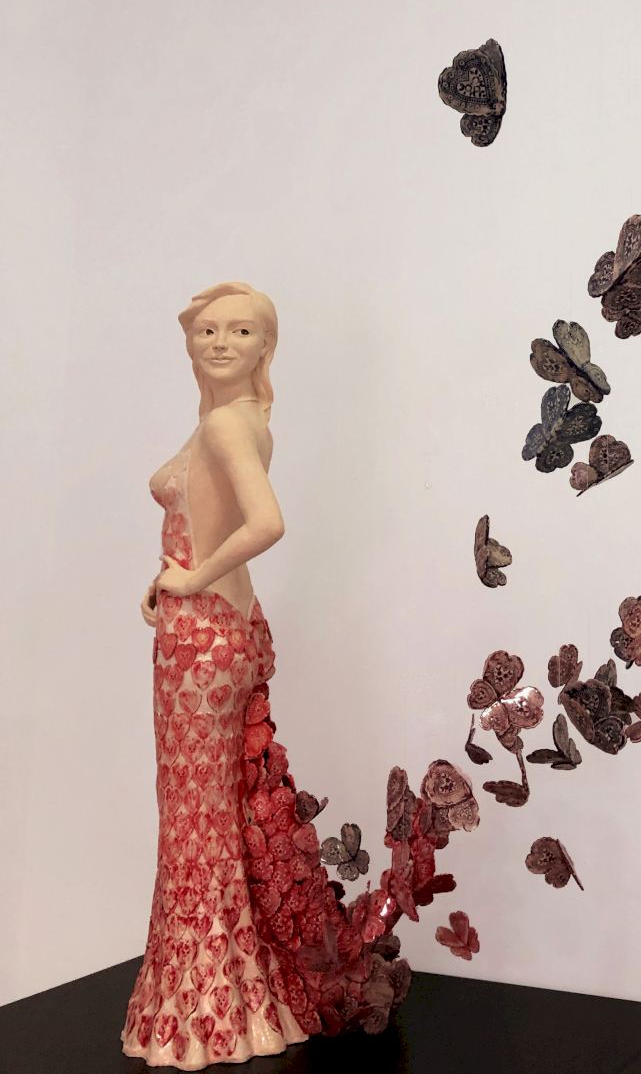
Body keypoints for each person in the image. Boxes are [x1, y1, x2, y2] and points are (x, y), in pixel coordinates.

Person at [121, 282, 414, 1067]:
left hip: (201, 645)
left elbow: (266, 522)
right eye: (208, 330)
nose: (221, 342)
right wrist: (172, 577)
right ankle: (244, 1002)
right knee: (213, 815)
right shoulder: (244, 419)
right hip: (223, 628)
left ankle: (202, 1013)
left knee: (194, 819)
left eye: (241, 331)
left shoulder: (226, 424)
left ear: (266, 346)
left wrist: (191, 579)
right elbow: (216, 523)